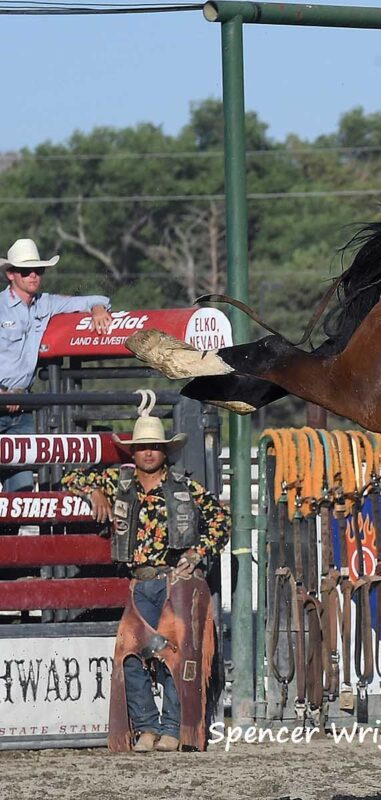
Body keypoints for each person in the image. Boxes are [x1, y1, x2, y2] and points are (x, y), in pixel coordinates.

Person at [63, 410, 229, 753]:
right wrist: (95, 492)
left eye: (154, 446)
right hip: (139, 583)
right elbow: (69, 479)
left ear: (164, 451)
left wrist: (196, 554)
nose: (149, 452)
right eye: (142, 447)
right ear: (133, 453)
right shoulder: (118, 484)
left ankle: (169, 728)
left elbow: (220, 520)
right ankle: (147, 728)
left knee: (173, 656)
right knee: (131, 657)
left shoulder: (185, 487)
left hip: (174, 582)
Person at [1, 238, 113, 491]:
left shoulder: (46, 303)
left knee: (22, 488)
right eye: (25, 271)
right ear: (11, 274)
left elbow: (95, 299)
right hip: (4, 400)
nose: (33, 276)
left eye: (38, 270)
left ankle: (12, 532)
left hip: (21, 407)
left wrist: (96, 308)